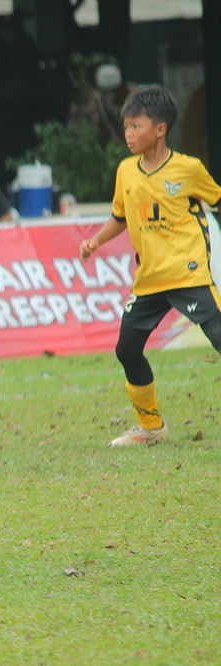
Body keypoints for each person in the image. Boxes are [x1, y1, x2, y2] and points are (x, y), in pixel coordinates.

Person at [80, 84, 221, 447]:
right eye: (126, 126)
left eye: (136, 126)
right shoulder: (126, 171)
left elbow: (217, 201)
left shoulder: (189, 169)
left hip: (188, 274)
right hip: (149, 279)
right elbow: (120, 217)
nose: (128, 134)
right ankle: (152, 429)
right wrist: (96, 240)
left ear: (160, 129)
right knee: (127, 349)